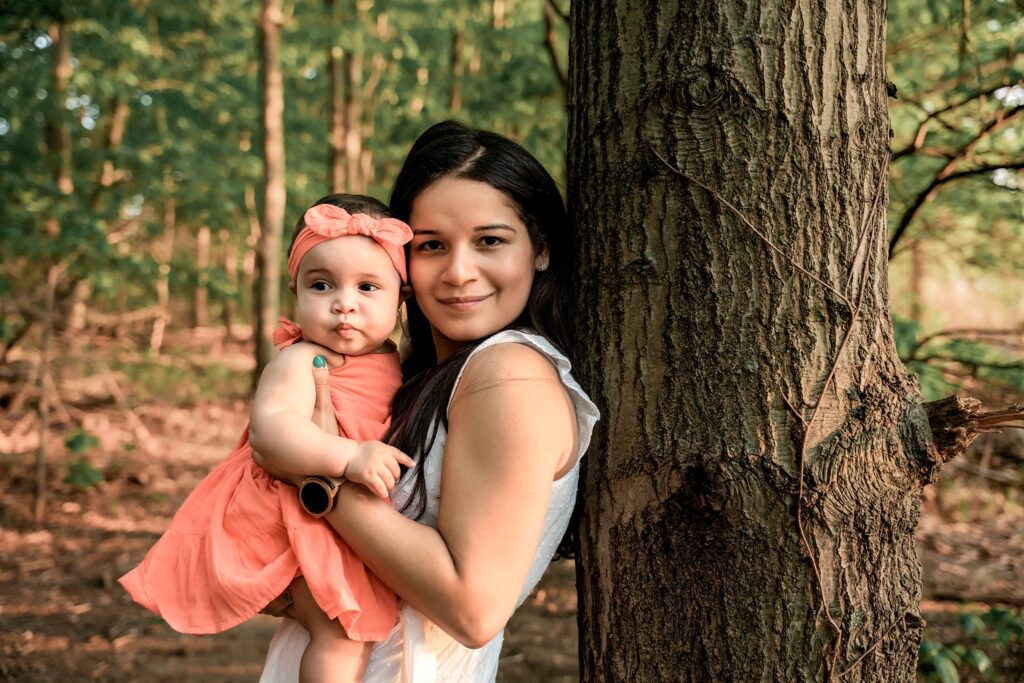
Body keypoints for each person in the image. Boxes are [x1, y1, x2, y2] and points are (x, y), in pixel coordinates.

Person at [258, 121, 599, 682]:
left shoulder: (508, 374)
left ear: (540, 250)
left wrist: (316, 474)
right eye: (431, 246)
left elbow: (473, 608)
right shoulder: (430, 373)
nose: (459, 272)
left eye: (490, 241)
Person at [120, 194, 417, 682]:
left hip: (335, 514)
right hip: (292, 511)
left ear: (400, 299)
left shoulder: (392, 360)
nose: (345, 303)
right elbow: (271, 429)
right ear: (295, 292)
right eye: (322, 285)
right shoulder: (303, 359)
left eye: (368, 287)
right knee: (341, 633)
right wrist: (349, 454)